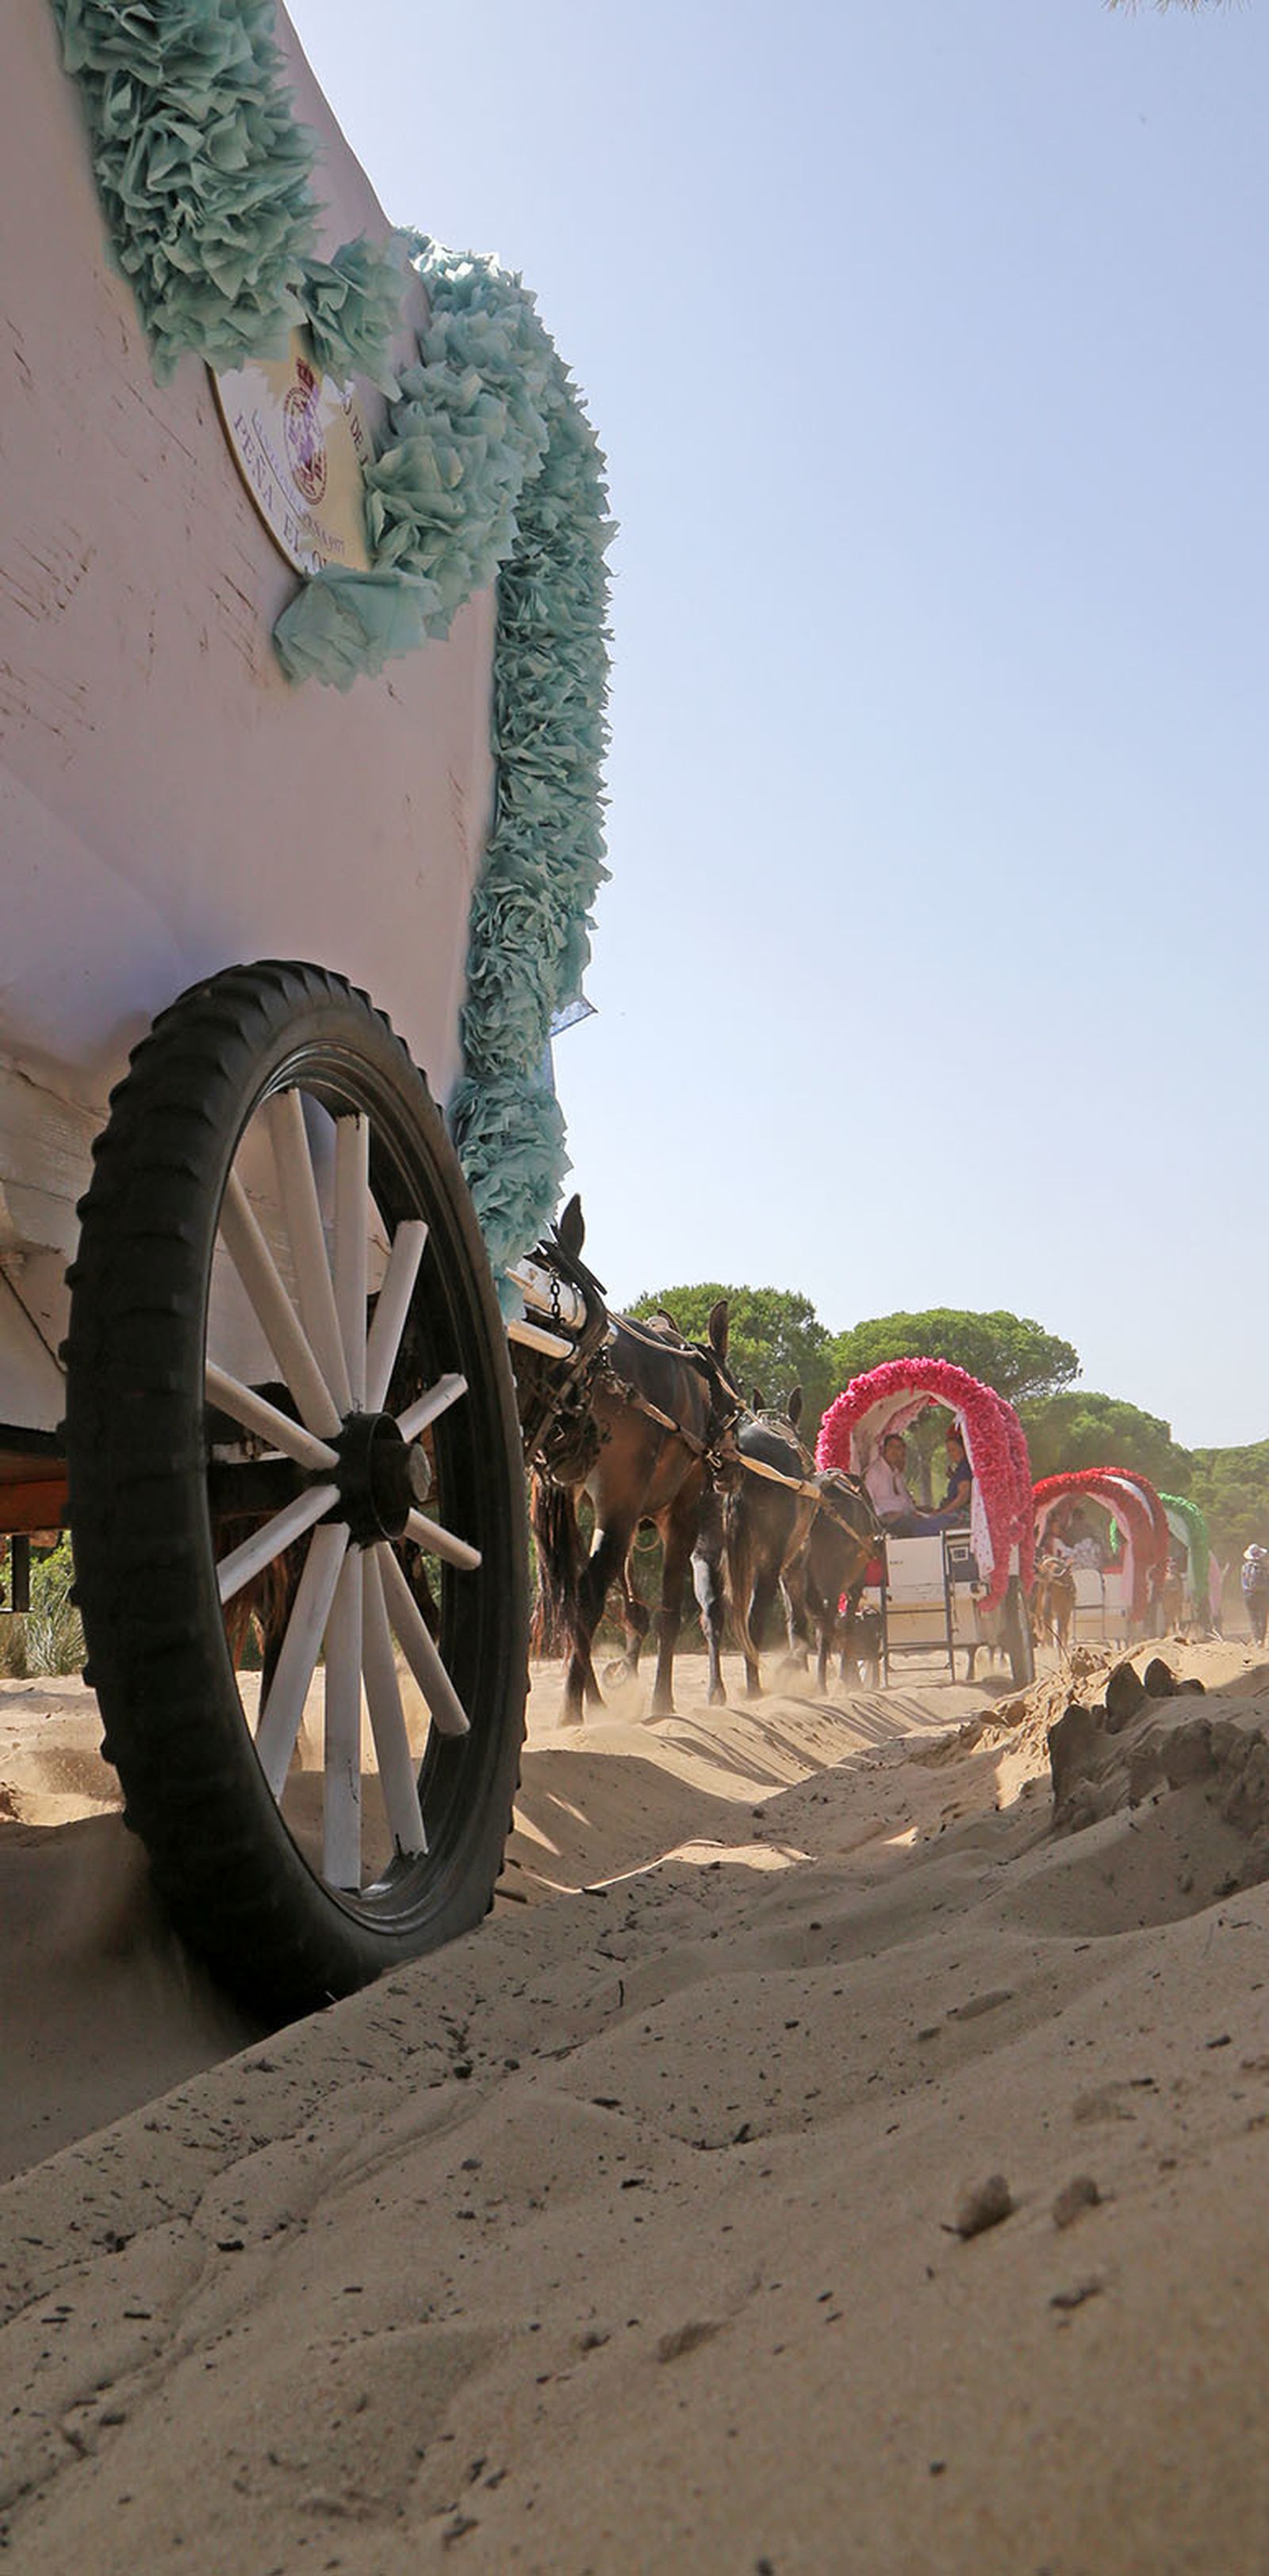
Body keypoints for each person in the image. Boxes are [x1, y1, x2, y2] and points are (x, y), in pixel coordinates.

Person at [864, 1431, 921, 1531]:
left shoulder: (896, 1473)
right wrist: (882, 1518)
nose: (894, 1451)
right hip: (886, 1521)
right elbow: (868, 1498)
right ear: (885, 1449)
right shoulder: (875, 1471)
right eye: (891, 1446)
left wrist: (915, 1511)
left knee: (933, 1520)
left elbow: (905, 1498)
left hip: (904, 1517)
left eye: (898, 1448)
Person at [1241, 1544, 1269, 1648]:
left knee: (1253, 1618)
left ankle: (1257, 1639)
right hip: (1263, 1595)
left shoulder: (1245, 1567)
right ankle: (1261, 1640)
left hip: (1249, 1595)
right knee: (1263, 1617)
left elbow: (1243, 1583)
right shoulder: (1265, 1567)